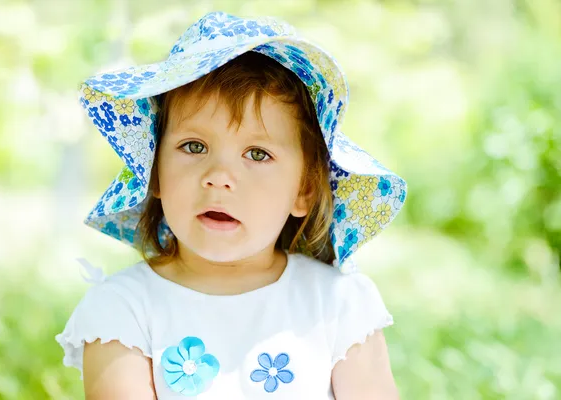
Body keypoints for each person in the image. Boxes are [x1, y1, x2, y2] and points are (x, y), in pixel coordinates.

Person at [56, 10, 407, 399]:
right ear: (154, 172)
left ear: (304, 190)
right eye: (194, 146)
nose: (219, 175)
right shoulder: (122, 310)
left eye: (257, 154)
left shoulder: (339, 304)